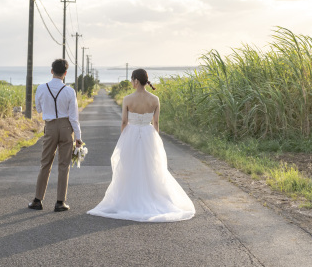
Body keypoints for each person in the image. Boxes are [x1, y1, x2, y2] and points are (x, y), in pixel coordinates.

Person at [87, 68, 195, 222]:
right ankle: (151, 197)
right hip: (149, 134)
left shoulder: (127, 99)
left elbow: (124, 122)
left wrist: (123, 137)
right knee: (151, 168)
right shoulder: (155, 99)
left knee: (129, 167)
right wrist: (155, 139)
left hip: (131, 133)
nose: (131, 82)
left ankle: (130, 198)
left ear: (136, 81)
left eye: (132, 79)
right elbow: (156, 122)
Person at [28, 58, 82, 212]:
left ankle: (38, 200)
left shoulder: (41, 88)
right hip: (66, 127)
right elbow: (74, 117)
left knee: (45, 163)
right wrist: (78, 137)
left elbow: (38, 109)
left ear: (51, 71)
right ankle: (60, 202)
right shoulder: (70, 91)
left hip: (50, 127)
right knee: (64, 165)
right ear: (65, 73)